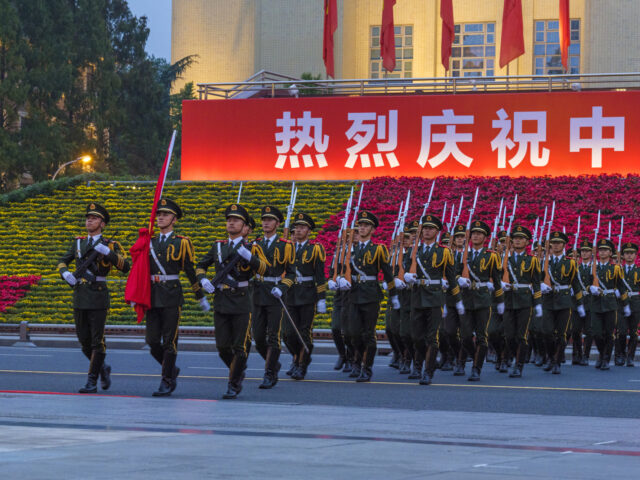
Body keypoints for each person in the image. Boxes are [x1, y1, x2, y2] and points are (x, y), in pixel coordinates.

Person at [197, 204, 268, 399]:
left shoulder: (252, 247)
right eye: (229, 219)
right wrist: (203, 279)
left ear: (244, 225)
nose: (231, 222)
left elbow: (265, 269)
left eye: (236, 220)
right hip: (221, 299)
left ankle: (233, 383)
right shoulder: (218, 245)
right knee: (222, 347)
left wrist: (250, 258)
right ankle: (237, 370)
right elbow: (201, 265)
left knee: (240, 346)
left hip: (242, 300)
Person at [58, 203, 130, 393]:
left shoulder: (110, 244)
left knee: (97, 341)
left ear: (102, 224)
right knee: (84, 341)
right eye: (88, 217)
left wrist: (110, 254)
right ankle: (103, 367)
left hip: (98, 294)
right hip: (80, 295)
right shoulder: (79, 243)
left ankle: (92, 380)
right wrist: (65, 273)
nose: (89, 220)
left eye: (94, 218)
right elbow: (63, 261)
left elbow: (126, 266)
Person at [143, 198, 208, 396]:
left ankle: (166, 380)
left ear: (174, 219)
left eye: (165, 215)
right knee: (152, 341)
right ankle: (171, 369)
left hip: (171, 294)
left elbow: (189, 271)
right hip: (152, 295)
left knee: (170, 341)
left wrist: (200, 296)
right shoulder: (150, 241)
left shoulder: (182, 242)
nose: (160, 217)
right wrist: (137, 295)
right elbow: (140, 271)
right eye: (159, 215)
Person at [338, 210, 399, 382]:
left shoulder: (378, 249)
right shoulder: (351, 250)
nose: (362, 228)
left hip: (371, 295)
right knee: (353, 334)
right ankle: (357, 360)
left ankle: (366, 367)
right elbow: (343, 271)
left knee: (368, 334)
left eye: (366, 226)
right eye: (360, 225)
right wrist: (341, 279)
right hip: (353, 294)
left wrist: (393, 294)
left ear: (372, 230)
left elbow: (387, 273)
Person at [404, 214, 462, 385]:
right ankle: (421, 362)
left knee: (432, 337)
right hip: (417, 296)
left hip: (435, 297)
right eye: (425, 228)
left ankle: (426, 371)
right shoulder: (415, 251)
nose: (427, 231)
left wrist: (457, 300)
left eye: (431, 228)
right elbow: (406, 269)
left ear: (437, 232)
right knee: (416, 336)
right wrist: (406, 276)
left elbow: (451, 278)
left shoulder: (444, 251)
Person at [251, 206, 295, 389]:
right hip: (258, 291)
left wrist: (282, 287)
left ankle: (269, 373)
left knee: (273, 337)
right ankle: (273, 362)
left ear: (277, 223)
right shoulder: (255, 244)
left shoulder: (286, 245)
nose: (266, 222)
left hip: (275, 293)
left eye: (270, 220)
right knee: (258, 337)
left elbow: (292, 274)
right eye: (264, 219)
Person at [456, 220, 504, 381]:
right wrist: (458, 279)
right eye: (474, 233)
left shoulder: (491, 256)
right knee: (465, 335)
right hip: (466, 298)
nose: (476, 236)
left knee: (483, 336)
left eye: (479, 234)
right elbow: (453, 273)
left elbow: (497, 280)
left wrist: (500, 301)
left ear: (485, 238)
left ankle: (476, 368)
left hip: (483, 299)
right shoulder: (463, 255)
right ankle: (474, 355)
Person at [284, 213, 327, 380]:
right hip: (290, 294)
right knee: (287, 334)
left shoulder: (315, 248)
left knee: (304, 332)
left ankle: (302, 364)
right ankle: (296, 357)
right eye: (297, 227)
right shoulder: (287, 247)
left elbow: (320, 275)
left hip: (308, 295)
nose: (299, 230)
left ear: (309, 231)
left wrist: (321, 297)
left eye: (303, 227)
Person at [539, 231, 585, 375]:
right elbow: (535, 280)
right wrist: (539, 286)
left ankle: (557, 361)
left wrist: (580, 303)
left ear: (564, 245)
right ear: (550, 244)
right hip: (547, 300)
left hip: (565, 301)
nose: (556, 245)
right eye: (554, 242)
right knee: (546, 332)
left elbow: (576, 283)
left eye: (559, 242)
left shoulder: (570, 262)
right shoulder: (543, 262)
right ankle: (551, 357)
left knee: (562, 334)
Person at [502, 225, 542, 378]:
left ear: (527, 242)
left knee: (522, 335)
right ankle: (512, 356)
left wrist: (537, 303)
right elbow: (497, 277)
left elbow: (537, 282)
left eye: (521, 238)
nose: (517, 241)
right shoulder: (505, 259)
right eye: (515, 238)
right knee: (509, 335)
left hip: (525, 301)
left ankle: (519, 366)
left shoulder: (532, 260)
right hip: (508, 300)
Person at [590, 239, 630, 370]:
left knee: (608, 333)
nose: (602, 252)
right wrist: (589, 288)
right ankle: (602, 354)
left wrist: (625, 304)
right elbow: (583, 283)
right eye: (600, 250)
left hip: (610, 303)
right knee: (596, 333)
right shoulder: (592, 267)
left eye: (605, 250)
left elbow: (622, 287)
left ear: (610, 252)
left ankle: (606, 358)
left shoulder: (616, 268)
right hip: (596, 303)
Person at [445, 224, 466, 376]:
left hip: (467, 298)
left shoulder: (471, 254)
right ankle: (454, 354)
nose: (460, 239)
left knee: (465, 333)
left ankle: (460, 362)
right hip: (450, 298)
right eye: (457, 237)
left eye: (462, 237)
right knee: (449, 332)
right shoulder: (447, 254)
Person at [572, 240, 594, 366]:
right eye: (583, 251)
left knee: (589, 331)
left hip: (590, 303)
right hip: (577, 302)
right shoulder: (576, 268)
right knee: (575, 330)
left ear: (591, 253)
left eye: (587, 251)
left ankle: (586, 355)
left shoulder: (594, 268)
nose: (584, 253)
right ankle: (578, 353)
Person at [618, 242, 640, 367]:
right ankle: (621, 354)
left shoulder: (638, 270)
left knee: (633, 332)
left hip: (635, 302)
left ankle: (630, 356)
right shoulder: (618, 270)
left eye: (632, 253)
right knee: (621, 331)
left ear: (635, 256)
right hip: (621, 303)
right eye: (627, 253)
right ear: (623, 256)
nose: (629, 256)